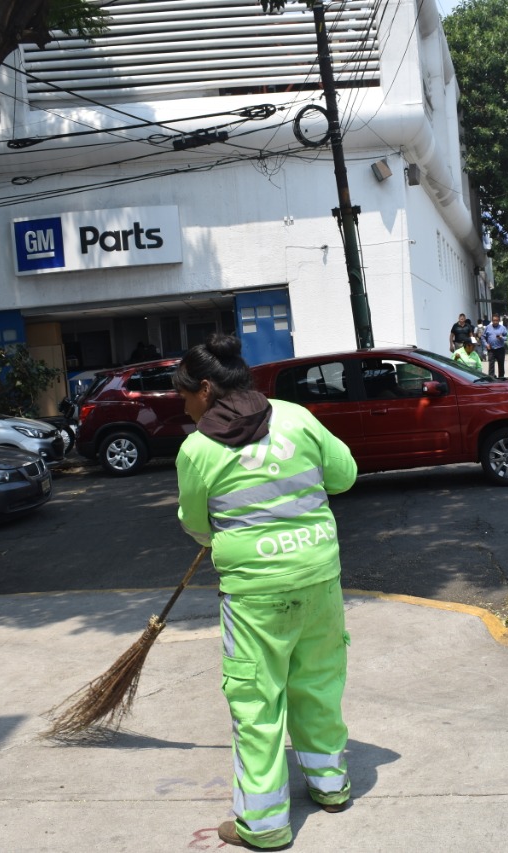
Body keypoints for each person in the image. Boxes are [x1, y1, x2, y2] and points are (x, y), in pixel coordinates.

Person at [174, 334, 358, 850]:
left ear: (206, 389)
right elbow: (343, 476)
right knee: (318, 681)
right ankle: (330, 786)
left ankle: (265, 824)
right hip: (319, 576)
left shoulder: (198, 448)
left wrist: (241, 540)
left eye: (184, 395)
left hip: (254, 594)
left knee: (256, 702)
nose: (183, 406)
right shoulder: (296, 417)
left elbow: (195, 522)